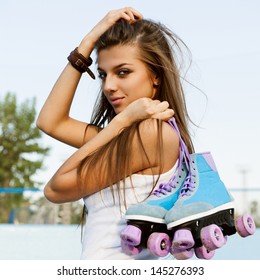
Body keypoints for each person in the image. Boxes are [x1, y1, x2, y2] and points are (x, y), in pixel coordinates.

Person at [37, 7, 194, 260]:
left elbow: (55, 190)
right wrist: (87, 43)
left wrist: (120, 123)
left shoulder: (151, 134)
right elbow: (50, 122)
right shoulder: (123, 135)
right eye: (102, 74)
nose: (109, 86)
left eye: (123, 72)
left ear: (155, 76)